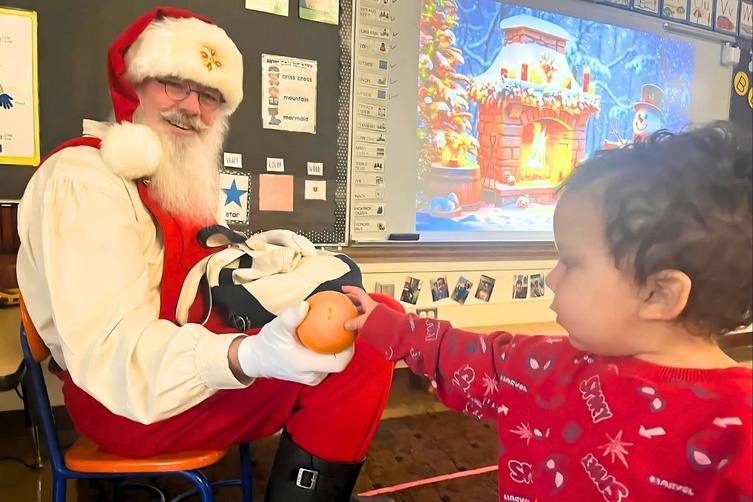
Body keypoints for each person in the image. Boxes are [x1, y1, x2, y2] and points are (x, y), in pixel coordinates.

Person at [16, 7, 396, 502]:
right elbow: (113, 356)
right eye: (174, 84)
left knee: (375, 316)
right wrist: (250, 355)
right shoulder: (84, 180)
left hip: (183, 370)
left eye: (210, 95)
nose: (192, 107)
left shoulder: (178, 182)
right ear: (136, 84)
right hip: (129, 401)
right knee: (366, 351)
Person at [343, 122, 753, 501]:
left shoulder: (741, 427)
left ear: (659, 295)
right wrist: (392, 327)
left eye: (571, 263)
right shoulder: (547, 365)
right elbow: (466, 356)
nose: (552, 279)